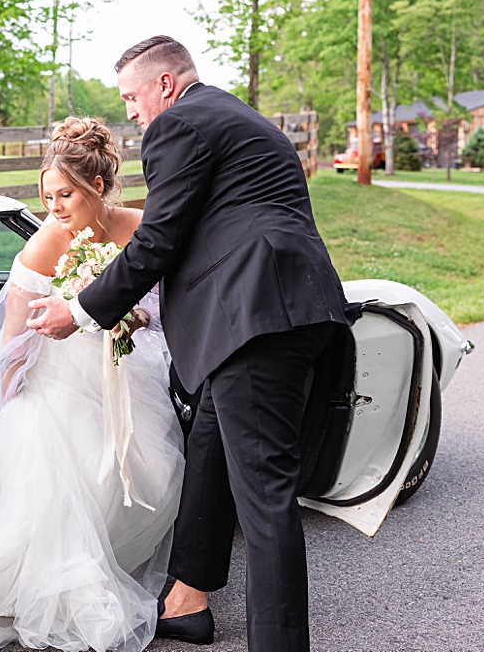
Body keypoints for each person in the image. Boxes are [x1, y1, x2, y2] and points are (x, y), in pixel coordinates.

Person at [27, 36, 352, 652]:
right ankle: (187, 599)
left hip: (255, 321)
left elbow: (157, 243)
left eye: (132, 96)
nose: (132, 111)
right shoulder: (240, 118)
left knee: (264, 495)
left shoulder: (177, 126)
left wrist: (81, 309)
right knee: (210, 439)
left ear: (165, 86)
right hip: (293, 309)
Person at [0, 117, 185, 652]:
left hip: (125, 370)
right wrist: (10, 406)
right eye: (46, 196)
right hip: (59, 380)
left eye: (64, 195)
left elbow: (171, 307)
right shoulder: (44, 246)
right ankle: (53, 590)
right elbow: (12, 340)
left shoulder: (140, 228)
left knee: (154, 468)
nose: (53, 207)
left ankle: (109, 561)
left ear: (98, 187)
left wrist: (133, 317)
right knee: (59, 473)